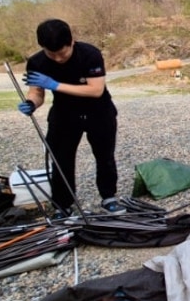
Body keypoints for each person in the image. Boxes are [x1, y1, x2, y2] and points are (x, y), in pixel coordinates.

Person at [18, 18, 126, 218]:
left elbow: (96, 90)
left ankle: (109, 197)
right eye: (52, 54)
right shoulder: (37, 62)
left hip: (98, 111)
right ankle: (63, 204)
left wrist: (55, 85)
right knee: (60, 160)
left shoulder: (90, 54)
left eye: (62, 53)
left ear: (72, 42)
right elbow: (37, 93)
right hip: (64, 113)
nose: (58, 59)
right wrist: (31, 103)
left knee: (104, 156)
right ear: (42, 48)